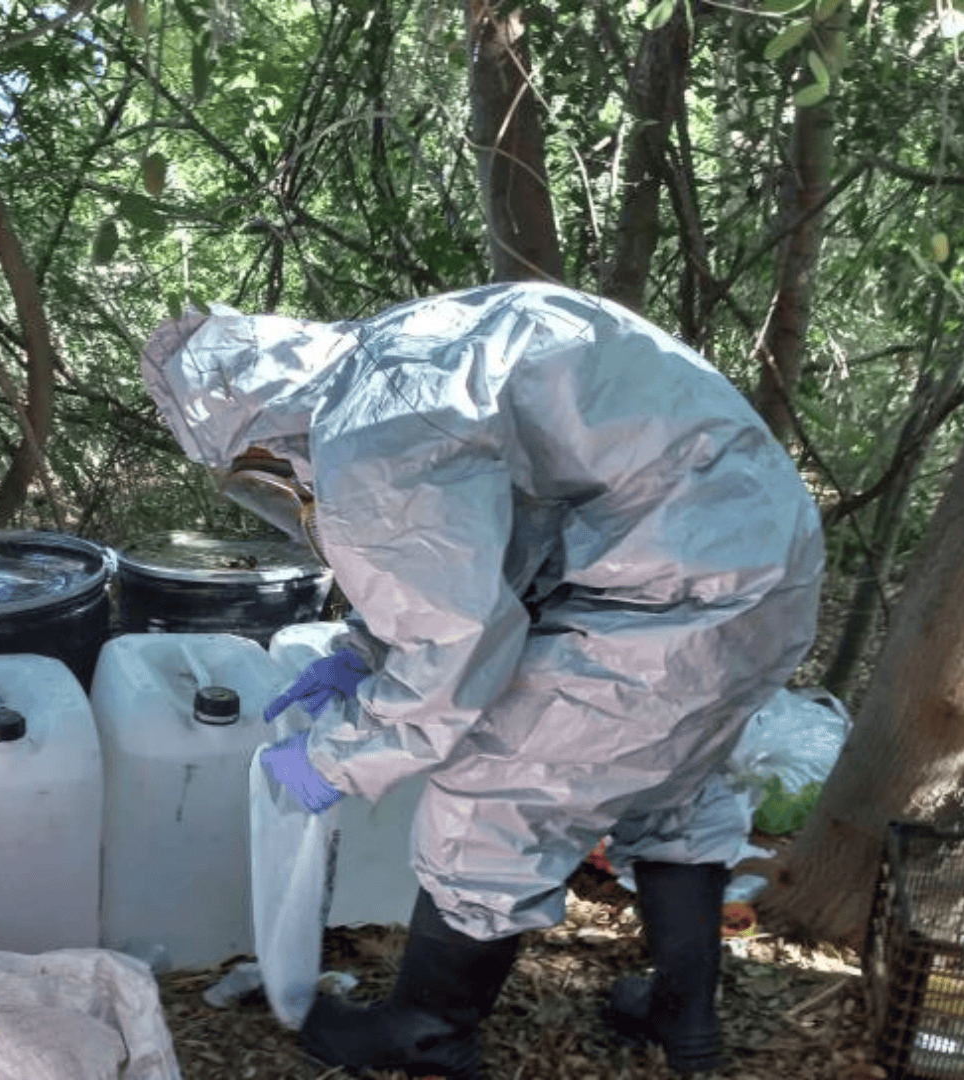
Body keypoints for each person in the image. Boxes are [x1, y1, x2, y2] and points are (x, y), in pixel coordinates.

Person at [141, 282, 824, 1079]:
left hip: (665, 602)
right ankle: (687, 1020)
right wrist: (364, 652)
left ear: (252, 425)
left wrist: (330, 761)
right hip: (759, 561)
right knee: (672, 784)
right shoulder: (417, 345)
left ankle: (426, 1034)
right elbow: (498, 541)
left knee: (490, 794)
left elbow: (460, 655)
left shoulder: (369, 430)